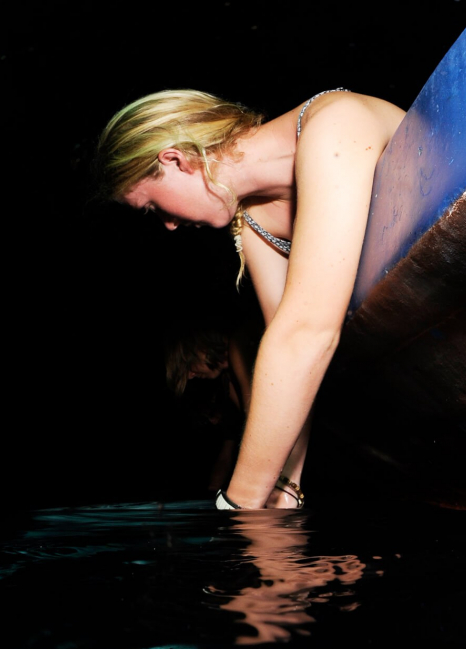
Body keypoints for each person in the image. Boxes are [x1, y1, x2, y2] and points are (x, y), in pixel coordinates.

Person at [96, 87, 405, 508]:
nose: (166, 226)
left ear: (174, 160)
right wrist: (286, 489)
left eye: (151, 206)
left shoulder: (335, 124)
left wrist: (238, 508)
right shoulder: (254, 221)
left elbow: (306, 334)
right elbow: (292, 361)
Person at [164, 322, 256, 493]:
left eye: (189, 367)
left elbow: (256, 419)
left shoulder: (239, 343)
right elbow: (240, 430)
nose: (191, 376)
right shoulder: (228, 382)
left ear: (199, 349)